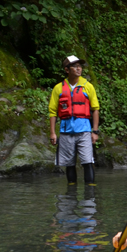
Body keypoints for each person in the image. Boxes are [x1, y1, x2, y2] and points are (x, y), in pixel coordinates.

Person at [48, 55, 100, 185]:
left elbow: (95, 109)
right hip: (66, 132)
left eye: (80, 66)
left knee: (88, 161)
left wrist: (95, 131)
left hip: (84, 131)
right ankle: (71, 195)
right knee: (69, 164)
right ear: (67, 69)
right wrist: (53, 132)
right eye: (75, 66)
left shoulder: (88, 87)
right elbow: (53, 112)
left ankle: (90, 195)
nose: (79, 68)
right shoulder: (58, 88)